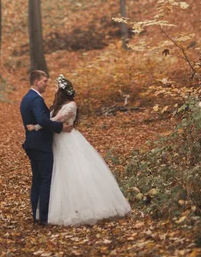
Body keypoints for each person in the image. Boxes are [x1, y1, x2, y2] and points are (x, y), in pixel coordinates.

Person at [26, 74, 131, 226]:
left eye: (57, 87)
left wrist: (36, 126)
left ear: (62, 91)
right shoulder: (58, 105)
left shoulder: (71, 105)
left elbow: (55, 121)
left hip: (68, 141)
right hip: (57, 141)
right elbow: (51, 119)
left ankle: (81, 209)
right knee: (58, 174)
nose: (54, 89)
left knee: (74, 171)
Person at [20, 70, 73, 225]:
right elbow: (43, 120)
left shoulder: (26, 98)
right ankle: (43, 216)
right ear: (36, 81)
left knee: (37, 179)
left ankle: (36, 214)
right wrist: (61, 127)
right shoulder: (35, 99)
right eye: (44, 81)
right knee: (45, 179)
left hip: (32, 143)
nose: (46, 84)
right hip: (41, 145)